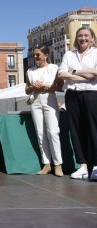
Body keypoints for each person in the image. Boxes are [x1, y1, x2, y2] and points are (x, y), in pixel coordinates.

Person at [58, 27, 97, 181]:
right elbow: (61, 73)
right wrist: (84, 75)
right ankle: (82, 165)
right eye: (80, 35)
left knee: (93, 129)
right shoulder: (69, 54)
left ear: (92, 38)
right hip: (72, 95)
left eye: (86, 35)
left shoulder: (95, 53)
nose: (83, 38)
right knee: (76, 129)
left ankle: (95, 166)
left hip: (92, 94)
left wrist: (73, 72)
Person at [25, 46, 64, 177]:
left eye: (37, 55)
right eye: (33, 55)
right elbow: (26, 90)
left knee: (53, 132)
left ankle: (58, 164)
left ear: (46, 55)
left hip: (50, 99)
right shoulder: (30, 71)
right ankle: (46, 164)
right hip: (35, 101)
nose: (35, 57)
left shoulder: (54, 68)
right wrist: (32, 87)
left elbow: (60, 87)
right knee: (40, 133)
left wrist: (45, 86)